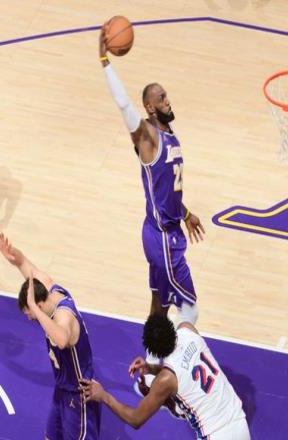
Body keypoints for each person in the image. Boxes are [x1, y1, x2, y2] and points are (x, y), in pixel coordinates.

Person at [98, 25, 205, 325]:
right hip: (162, 238)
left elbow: (167, 190)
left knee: (159, 309)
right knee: (190, 310)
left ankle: (151, 353)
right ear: (150, 107)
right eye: (161, 98)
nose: (167, 100)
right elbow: (124, 105)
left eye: (166, 95)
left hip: (167, 231)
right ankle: (179, 355)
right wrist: (105, 62)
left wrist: (186, 213)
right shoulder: (149, 137)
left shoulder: (170, 137)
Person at [80, 314, 250, 439]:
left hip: (215, 434)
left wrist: (104, 396)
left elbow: (135, 419)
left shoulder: (165, 380)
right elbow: (186, 366)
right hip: (238, 420)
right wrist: (151, 368)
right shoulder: (187, 329)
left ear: (154, 352)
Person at [0, 233, 101, 440]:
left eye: (31, 314)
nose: (31, 318)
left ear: (39, 305)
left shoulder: (64, 316)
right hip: (62, 389)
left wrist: (35, 310)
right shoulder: (49, 290)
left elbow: (61, 340)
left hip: (79, 394)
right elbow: (29, 269)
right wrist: (16, 258)